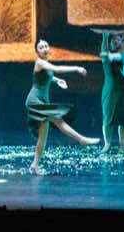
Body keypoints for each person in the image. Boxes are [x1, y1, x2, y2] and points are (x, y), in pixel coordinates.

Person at [26, 40, 99, 174]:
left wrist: (56, 80)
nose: (44, 49)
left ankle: (34, 165)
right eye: (41, 47)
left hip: (43, 101)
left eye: (46, 46)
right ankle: (81, 139)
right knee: (58, 120)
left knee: (43, 137)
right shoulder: (40, 62)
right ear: (37, 52)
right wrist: (76, 68)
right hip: (35, 101)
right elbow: (57, 69)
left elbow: (46, 76)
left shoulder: (45, 64)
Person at [98, 32, 124, 153]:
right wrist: (105, 37)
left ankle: (122, 146)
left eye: (118, 40)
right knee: (108, 117)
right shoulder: (107, 56)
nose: (116, 41)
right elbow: (104, 50)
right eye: (113, 40)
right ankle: (107, 144)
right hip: (110, 89)